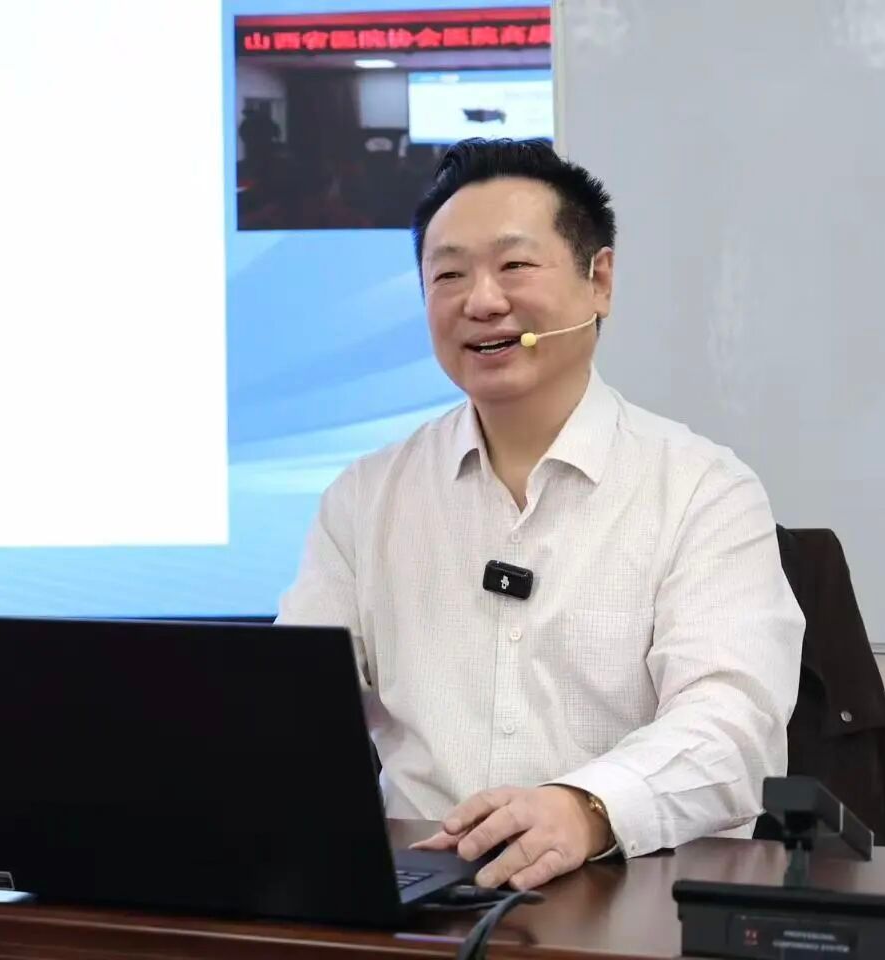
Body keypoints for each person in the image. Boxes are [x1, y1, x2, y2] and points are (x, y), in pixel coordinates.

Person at [276, 138, 804, 891]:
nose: (482, 301)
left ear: (600, 281)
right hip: (420, 898)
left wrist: (587, 808)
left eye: (515, 265)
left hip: (633, 892)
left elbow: (733, 727)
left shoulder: (703, 490)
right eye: (448, 275)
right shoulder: (365, 498)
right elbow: (292, 711)